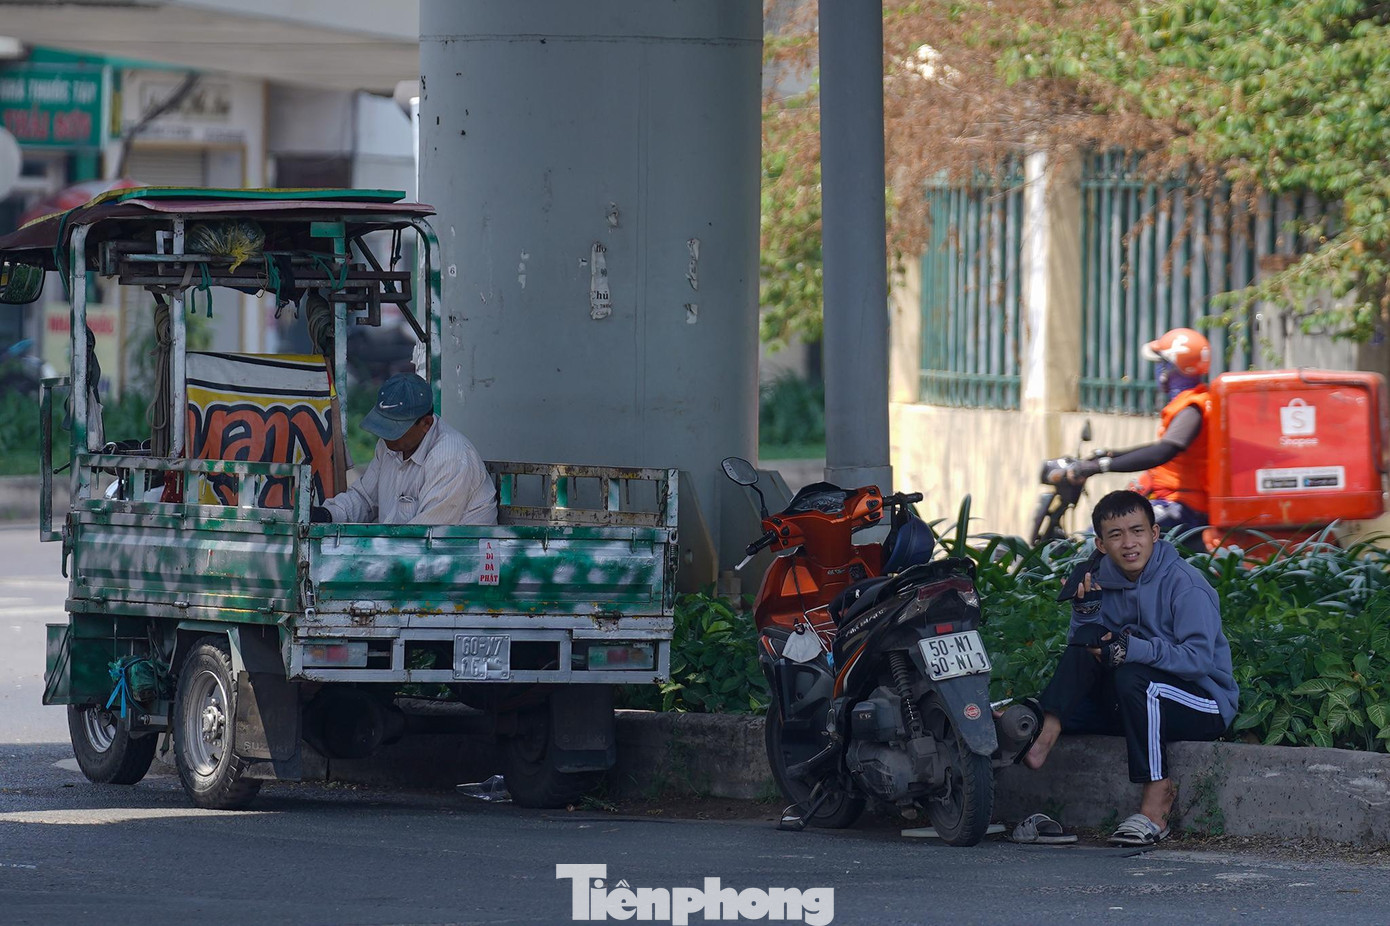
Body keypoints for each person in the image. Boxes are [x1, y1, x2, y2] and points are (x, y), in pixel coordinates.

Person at [1022, 489, 1238, 847]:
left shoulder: (1185, 585)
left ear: (1155, 533)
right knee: (1085, 649)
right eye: (1116, 535)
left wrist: (1132, 649)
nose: (1129, 543)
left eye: (1137, 531)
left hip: (1203, 701)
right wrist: (1086, 613)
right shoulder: (1102, 577)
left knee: (1135, 675)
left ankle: (1157, 804)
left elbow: (1199, 661)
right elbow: (1088, 646)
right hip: (1136, 697)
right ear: (1101, 543)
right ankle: (1041, 737)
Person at [1064, 327, 1212, 536]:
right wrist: (1112, 454)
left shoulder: (1191, 409)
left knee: (1105, 532)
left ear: (1170, 368)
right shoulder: (1198, 400)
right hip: (1176, 498)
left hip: (1183, 506)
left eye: (1161, 364)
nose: (1159, 370)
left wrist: (1102, 466)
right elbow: (1164, 449)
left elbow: (1164, 452)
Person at [314, 372, 497, 526]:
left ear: (426, 423)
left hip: (453, 563)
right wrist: (327, 515)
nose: (385, 436)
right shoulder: (388, 445)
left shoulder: (450, 457)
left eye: (395, 429)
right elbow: (364, 500)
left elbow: (422, 538)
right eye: (382, 426)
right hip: (406, 555)